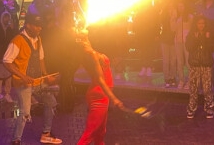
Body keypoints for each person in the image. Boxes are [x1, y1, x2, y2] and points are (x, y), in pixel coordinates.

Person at [3, 13, 62, 145]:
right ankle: (15, 140)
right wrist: (23, 76)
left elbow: (41, 59)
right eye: (36, 26)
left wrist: (47, 76)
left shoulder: (38, 39)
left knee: (51, 102)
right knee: (25, 113)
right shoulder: (17, 41)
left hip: (38, 81)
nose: (39, 28)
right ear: (28, 25)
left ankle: (46, 134)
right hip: (22, 83)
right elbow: (7, 62)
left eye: (40, 26)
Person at [75, 30, 124, 145]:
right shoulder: (91, 55)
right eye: (84, 39)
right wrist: (114, 98)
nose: (87, 40)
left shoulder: (91, 52)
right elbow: (101, 81)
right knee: (90, 133)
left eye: (87, 38)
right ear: (82, 43)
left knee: (100, 133)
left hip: (101, 95)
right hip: (99, 95)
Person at [185, 15, 214, 119]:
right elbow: (188, 47)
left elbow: (212, 48)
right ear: (196, 24)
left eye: (203, 23)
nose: (201, 25)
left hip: (206, 64)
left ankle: (209, 107)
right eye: (199, 23)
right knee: (193, 88)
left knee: (207, 88)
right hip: (195, 64)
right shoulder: (191, 34)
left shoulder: (209, 34)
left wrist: (207, 38)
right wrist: (196, 38)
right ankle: (191, 108)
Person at [175, 0, 193, 89]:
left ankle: (190, 81)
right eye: (178, 6)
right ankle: (181, 80)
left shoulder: (189, 17)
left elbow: (193, 29)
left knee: (188, 62)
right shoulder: (177, 17)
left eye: (181, 6)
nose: (180, 8)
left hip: (187, 42)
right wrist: (172, 18)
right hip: (178, 42)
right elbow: (173, 29)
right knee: (179, 62)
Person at [159, 0, 177, 87]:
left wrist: (173, 16)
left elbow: (175, 27)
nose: (170, 5)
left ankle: (172, 77)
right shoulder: (163, 13)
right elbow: (162, 25)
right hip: (165, 38)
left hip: (174, 38)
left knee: (173, 60)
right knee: (166, 60)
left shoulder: (176, 13)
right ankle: (166, 78)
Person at [0, 11, 17, 102]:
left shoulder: (10, 29)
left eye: (8, 18)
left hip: (8, 55)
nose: (6, 20)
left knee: (8, 75)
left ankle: (7, 93)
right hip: (0, 55)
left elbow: (13, 40)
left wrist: (12, 29)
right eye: (5, 18)